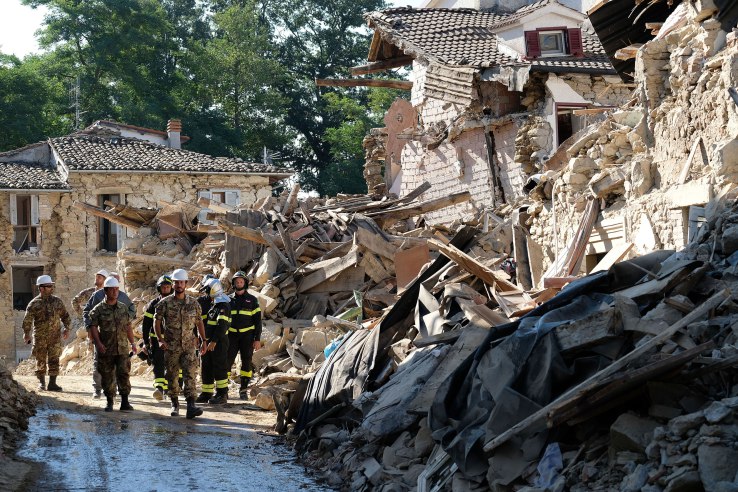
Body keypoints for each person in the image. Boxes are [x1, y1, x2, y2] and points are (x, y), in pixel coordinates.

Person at [154, 268, 207, 419]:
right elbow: (156, 322)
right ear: (173, 284)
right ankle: (174, 403)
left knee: (190, 373)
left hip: (189, 346)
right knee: (172, 375)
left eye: (181, 282)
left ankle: (191, 405)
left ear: (186, 284)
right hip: (171, 346)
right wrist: (160, 339)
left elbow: (199, 323)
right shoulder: (165, 303)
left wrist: (204, 340)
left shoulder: (194, 304)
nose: (179, 285)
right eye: (176, 282)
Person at [83, 272, 136, 398]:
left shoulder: (123, 298)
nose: (115, 290)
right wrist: (89, 328)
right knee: (99, 364)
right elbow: (88, 313)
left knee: (122, 368)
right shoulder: (97, 297)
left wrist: (126, 323)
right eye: (112, 287)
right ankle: (97, 389)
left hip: (120, 341)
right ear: (106, 288)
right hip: (103, 339)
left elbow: (131, 311)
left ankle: (120, 394)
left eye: (117, 287)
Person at [21, 275, 72, 391]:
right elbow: (27, 320)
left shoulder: (57, 301)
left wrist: (67, 328)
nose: (51, 288)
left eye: (51, 286)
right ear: (41, 288)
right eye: (49, 286)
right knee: (40, 359)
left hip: (55, 337)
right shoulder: (34, 303)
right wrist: (26, 333)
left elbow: (65, 316)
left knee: (54, 359)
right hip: (40, 337)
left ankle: (52, 383)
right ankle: (42, 383)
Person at [196, 277, 231, 405]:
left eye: (207, 290)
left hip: (219, 343)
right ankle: (206, 393)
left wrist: (214, 342)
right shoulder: (215, 304)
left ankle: (222, 394)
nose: (206, 293)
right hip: (208, 342)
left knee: (219, 367)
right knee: (206, 367)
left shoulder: (223, 305)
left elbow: (222, 326)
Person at [227, 271, 262, 400]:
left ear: (245, 283)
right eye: (237, 281)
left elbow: (258, 321)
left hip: (247, 336)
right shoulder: (228, 299)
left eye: (241, 281)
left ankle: (243, 390)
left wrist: (257, 339)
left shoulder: (252, 300)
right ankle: (223, 390)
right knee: (227, 361)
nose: (239, 283)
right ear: (234, 283)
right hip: (231, 336)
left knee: (246, 363)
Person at [142, 275, 173, 401]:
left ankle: (171, 388)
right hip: (156, 340)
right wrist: (145, 342)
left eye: (167, 287)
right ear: (159, 288)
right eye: (163, 287)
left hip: (173, 340)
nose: (165, 289)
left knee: (172, 364)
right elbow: (146, 325)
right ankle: (159, 388)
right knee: (158, 363)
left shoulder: (176, 302)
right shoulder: (153, 304)